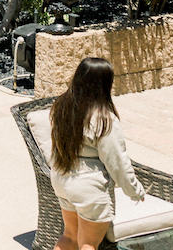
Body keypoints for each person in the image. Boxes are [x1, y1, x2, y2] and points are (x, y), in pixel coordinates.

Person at [48, 57, 145, 250]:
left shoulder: (62, 107)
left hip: (61, 177)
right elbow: (117, 161)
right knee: (88, 244)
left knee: (69, 238)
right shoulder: (103, 119)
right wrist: (134, 190)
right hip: (87, 186)